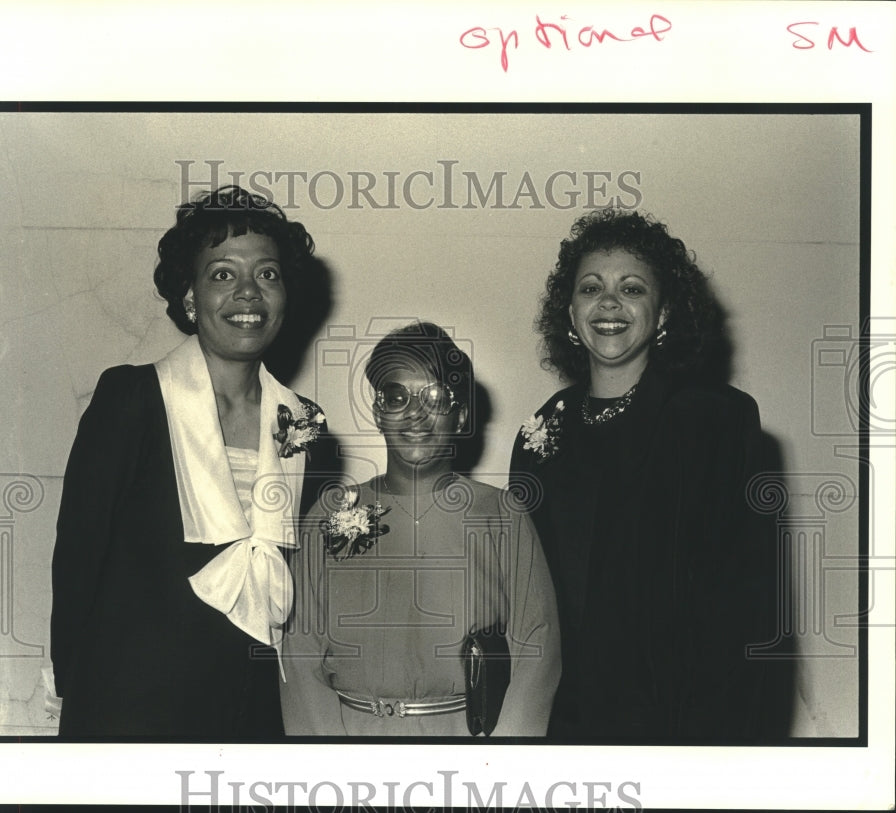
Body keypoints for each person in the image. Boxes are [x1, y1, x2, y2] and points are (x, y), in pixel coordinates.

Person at [50, 185, 326, 740]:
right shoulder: (132, 399)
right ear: (190, 296)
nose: (248, 292)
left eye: (268, 275)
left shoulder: (306, 426)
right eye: (223, 274)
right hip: (129, 711)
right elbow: (77, 560)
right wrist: (78, 699)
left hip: (254, 713)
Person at [510, 208, 787, 742]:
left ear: (662, 316)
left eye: (632, 288)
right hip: (562, 723)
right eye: (591, 287)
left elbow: (744, 611)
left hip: (679, 722)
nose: (609, 302)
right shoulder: (540, 432)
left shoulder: (715, 418)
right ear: (570, 313)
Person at [281, 322, 560, 736]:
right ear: (378, 413)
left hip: (466, 744)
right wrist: (328, 764)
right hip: (347, 741)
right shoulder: (331, 512)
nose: (414, 413)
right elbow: (299, 653)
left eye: (435, 397)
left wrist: (497, 765)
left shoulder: (502, 514)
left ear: (461, 414)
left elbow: (537, 647)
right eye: (396, 396)